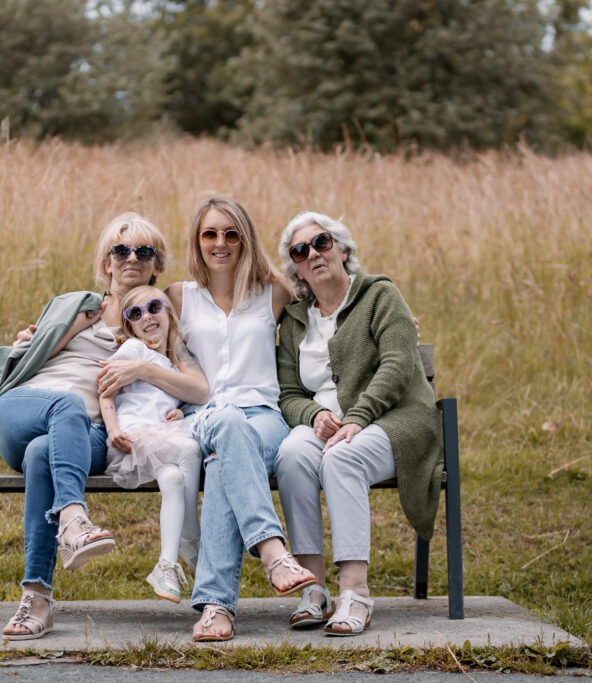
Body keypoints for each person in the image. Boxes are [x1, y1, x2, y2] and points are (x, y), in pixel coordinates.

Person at [0, 213, 208, 640]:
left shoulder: (156, 321)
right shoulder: (78, 307)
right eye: (121, 250)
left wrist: (140, 373)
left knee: (42, 453)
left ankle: (36, 597)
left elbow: (198, 388)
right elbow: (26, 355)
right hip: (26, 407)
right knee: (67, 406)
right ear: (107, 262)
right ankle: (74, 520)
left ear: (156, 265)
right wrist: (32, 340)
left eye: (144, 251)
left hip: (83, 436)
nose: (131, 258)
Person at [273, 211, 444, 637]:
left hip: (395, 418)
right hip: (330, 426)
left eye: (322, 242)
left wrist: (357, 417)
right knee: (292, 454)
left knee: (342, 458)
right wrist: (315, 415)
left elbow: (399, 364)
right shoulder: (295, 320)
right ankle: (312, 590)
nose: (313, 253)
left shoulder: (379, 295)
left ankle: (355, 592)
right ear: (295, 267)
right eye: (300, 250)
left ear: (344, 249)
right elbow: (289, 394)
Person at [164, 197, 317, 642]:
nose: (220, 243)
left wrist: (401, 324)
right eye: (210, 233)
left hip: (265, 419)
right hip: (202, 417)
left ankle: (216, 608)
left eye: (232, 233)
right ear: (197, 240)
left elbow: (332, 304)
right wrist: (41, 332)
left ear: (245, 239)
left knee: (222, 460)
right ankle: (272, 551)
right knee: (225, 425)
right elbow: (123, 317)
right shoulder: (179, 297)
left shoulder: (273, 293)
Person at [99, 286, 204, 604]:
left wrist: (176, 411)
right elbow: (105, 392)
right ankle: (193, 536)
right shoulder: (133, 349)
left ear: (168, 313)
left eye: (154, 307)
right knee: (190, 450)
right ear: (129, 325)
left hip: (160, 436)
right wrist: (113, 428)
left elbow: (182, 395)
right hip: (132, 437)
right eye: (135, 313)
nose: (146, 316)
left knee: (173, 478)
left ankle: (166, 565)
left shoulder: (173, 364)